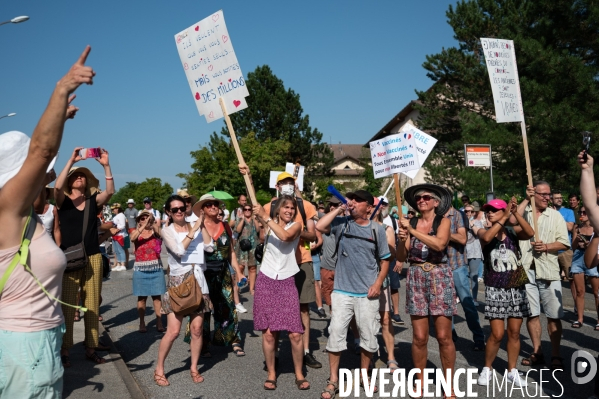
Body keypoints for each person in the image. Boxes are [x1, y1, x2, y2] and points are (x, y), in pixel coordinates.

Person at [0, 45, 93, 397]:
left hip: (38, 342)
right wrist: (61, 89)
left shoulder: (28, 216)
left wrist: (60, 122)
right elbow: (41, 151)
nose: (45, 172)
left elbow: (45, 157)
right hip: (24, 347)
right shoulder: (7, 211)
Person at [316, 189, 390, 399]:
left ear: (369, 207)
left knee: (368, 337)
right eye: (352, 199)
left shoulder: (377, 229)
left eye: (358, 200)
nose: (353, 202)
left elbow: (385, 259)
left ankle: (364, 376)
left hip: (367, 293)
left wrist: (378, 283)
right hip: (342, 291)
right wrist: (341, 208)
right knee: (336, 335)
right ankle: (333, 380)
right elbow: (320, 226)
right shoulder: (342, 223)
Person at [55, 143, 115, 367]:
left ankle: (91, 347)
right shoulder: (63, 202)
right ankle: (65, 350)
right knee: (68, 306)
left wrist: (107, 166)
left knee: (92, 305)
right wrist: (71, 162)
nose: (80, 178)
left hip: (92, 257)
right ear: (71, 181)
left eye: (82, 176)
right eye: (76, 176)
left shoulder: (92, 202)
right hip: (69, 258)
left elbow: (109, 192)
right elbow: (56, 189)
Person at [396, 184, 456, 399]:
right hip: (416, 276)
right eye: (418, 198)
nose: (421, 200)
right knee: (420, 337)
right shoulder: (410, 222)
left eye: (426, 197)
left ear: (436, 202)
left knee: (443, 336)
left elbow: (439, 245)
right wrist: (403, 237)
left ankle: (448, 384)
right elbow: (402, 257)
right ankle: (420, 382)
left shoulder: (444, 221)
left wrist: (412, 232)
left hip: (439, 276)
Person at [262, 172, 321, 369]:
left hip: (302, 261)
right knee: (275, 312)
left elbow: (313, 235)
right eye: (283, 183)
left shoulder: (305, 205)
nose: (287, 185)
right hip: (276, 267)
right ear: (277, 186)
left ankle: (305, 351)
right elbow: (263, 236)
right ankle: (276, 352)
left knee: (304, 307)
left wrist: (294, 232)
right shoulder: (269, 206)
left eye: (290, 182)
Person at [251, 195, 309, 391]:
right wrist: (260, 218)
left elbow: (285, 237)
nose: (289, 211)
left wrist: (265, 217)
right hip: (266, 279)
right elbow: (262, 237)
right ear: (278, 210)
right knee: (269, 333)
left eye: (292, 208)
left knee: (294, 333)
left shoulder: (297, 226)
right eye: (286, 207)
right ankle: (271, 373)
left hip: (286, 280)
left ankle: (299, 373)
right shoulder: (269, 224)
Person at [475, 198, 534, 387]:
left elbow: (530, 232)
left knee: (515, 332)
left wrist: (515, 213)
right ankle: (487, 368)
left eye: (494, 210)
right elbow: (485, 238)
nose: (490, 213)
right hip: (495, 288)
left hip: (516, 286)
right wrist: (505, 216)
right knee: (497, 334)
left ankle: (512, 370)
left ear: (503, 212)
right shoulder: (482, 229)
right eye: (488, 210)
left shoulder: (512, 231)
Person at [154, 194, 213, 386]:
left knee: (197, 330)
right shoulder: (167, 231)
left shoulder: (195, 225)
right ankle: (159, 369)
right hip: (178, 284)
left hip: (198, 280)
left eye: (183, 208)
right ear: (168, 212)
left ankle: (194, 367)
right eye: (175, 210)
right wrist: (193, 230)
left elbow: (210, 247)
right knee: (173, 331)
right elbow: (179, 251)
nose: (180, 212)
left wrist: (201, 226)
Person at [511, 181, 570, 370]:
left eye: (548, 194)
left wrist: (546, 246)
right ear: (533, 194)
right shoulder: (525, 212)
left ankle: (556, 353)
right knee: (533, 314)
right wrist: (525, 199)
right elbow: (513, 221)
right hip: (527, 269)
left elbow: (564, 243)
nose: (547, 197)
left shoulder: (556, 216)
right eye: (542, 194)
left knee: (553, 316)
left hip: (549, 270)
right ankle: (537, 351)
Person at [192, 194, 246, 358]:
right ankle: (204, 343)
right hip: (204, 273)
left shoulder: (225, 226)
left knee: (228, 307)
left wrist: (238, 271)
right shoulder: (196, 227)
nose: (213, 207)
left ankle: (234, 340)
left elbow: (231, 251)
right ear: (202, 209)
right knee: (204, 309)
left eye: (215, 204)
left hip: (223, 272)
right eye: (208, 205)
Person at [445, 204, 485, 351]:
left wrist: (443, 234)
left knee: (467, 304)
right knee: (447, 306)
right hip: (441, 267)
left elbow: (462, 239)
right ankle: (451, 337)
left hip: (457, 265)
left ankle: (479, 338)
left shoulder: (458, 215)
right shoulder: (434, 215)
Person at [371, 198, 399, 372]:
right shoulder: (359, 227)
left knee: (386, 319)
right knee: (365, 320)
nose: (376, 209)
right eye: (373, 206)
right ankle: (370, 353)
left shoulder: (386, 228)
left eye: (378, 206)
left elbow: (393, 253)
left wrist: (387, 244)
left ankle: (390, 357)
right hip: (362, 280)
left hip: (382, 280)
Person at [130, 210, 166, 333]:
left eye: (147, 218)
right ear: (138, 221)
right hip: (140, 269)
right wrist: (144, 226)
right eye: (142, 218)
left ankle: (159, 321)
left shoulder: (155, 231)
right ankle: (142, 322)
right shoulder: (136, 233)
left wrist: (153, 223)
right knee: (142, 298)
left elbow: (162, 234)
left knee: (157, 297)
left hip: (156, 268)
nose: (145, 219)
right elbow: (132, 238)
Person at [571, 206, 599, 330]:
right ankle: (580, 319)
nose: (582, 214)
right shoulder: (577, 227)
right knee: (579, 291)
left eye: (584, 212)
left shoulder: (595, 228)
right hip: (578, 257)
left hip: (592, 257)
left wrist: (590, 245)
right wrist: (577, 240)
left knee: (596, 292)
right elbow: (573, 246)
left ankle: (598, 320)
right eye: (580, 212)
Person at [380, 197, 405, 326]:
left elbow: (400, 240)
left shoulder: (394, 221)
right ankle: (382, 312)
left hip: (392, 257)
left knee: (394, 286)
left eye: (384, 204)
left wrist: (400, 260)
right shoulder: (373, 219)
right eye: (380, 204)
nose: (382, 206)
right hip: (377, 259)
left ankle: (396, 313)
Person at [233, 202, 261, 296]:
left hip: (253, 247)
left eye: (250, 209)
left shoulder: (255, 219)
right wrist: (243, 220)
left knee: (252, 268)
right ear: (243, 211)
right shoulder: (240, 219)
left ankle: (251, 288)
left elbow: (258, 230)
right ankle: (237, 287)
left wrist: (254, 219)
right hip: (242, 247)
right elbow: (237, 230)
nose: (248, 211)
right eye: (246, 209)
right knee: (240, 267)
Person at [553, 191, 575, 282]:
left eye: (560, 198)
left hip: (565, 250)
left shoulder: (568, 211)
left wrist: (556, 215)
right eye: (557, 198)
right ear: (551, 199)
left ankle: (577, 296)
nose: (559, 199)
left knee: (571, 278)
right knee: (552, 279)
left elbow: (570, 227)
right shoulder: (547, 211)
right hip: (551, 249)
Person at [464, 204, 484, 305]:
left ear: (474, 213)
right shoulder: (460, 222)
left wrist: (470, 222)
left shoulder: (478, 223)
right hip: (462, 252)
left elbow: (477, 233)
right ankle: (462, 297)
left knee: (473, 275)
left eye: (470, 211)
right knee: (461, 275)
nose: (468, 213)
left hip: (475, 252)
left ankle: (474, 298)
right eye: (466, 211)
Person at [110, 203, 128, 271]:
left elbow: (123, 225)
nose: (114, 210)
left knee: (121, 250)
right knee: (116, 251)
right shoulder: (115, 216)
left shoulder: (121, 215)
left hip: (120, 235)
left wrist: (116, 230)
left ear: (119, 209)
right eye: (113, 209)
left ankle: (123, 265)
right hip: (115, 235)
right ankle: (118, 264)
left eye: (115, 208)